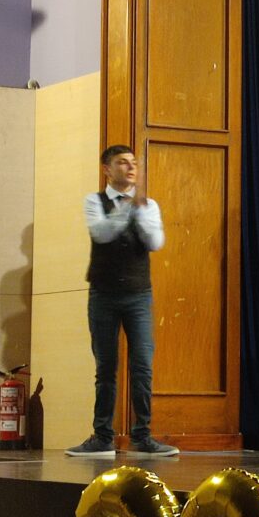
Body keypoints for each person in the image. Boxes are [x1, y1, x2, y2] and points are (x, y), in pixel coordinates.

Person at [65, 146, 179, 457]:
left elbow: (155, 242)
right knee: (106, 367)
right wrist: (128, 208)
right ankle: (103, 437)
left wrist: (139, 210)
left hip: (138, 295)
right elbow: (102, 233)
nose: (130, 168)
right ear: (107, 169)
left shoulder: (149, 205)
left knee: (142, 365)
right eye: (122, 163)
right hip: (103, 294)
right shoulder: (94, 201)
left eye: (133, 163)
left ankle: (142, 436)